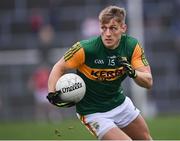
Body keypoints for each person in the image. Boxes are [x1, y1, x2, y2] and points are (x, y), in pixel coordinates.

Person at [47, 5, 153, 140]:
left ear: (123, 28)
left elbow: (148, 82)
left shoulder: (132, 46)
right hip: (93, 112)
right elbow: (59, 67)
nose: (108, 33)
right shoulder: (85, 48)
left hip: (119, 104)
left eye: (113, 28)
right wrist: (51, 93)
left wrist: (133, 73)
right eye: (104, 28)